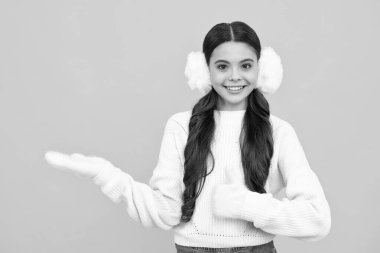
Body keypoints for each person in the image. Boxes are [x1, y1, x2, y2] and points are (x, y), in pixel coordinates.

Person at [45, 21, 331, 253]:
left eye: (245, 65)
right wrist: (106, 175)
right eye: (222, 66)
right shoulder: (181, 127)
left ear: (262, 68)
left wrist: (246, 204)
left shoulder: (278, 131)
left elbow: (317, 220)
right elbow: (168, 212)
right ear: (204, 70)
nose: (234, 76)